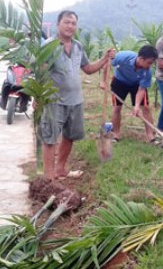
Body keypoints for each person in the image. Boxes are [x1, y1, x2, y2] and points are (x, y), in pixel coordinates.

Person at [37, 10, 113, 180]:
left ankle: (61, 169)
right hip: (53, 101)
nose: (70, 26)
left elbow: (88, 69)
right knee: (50, 139)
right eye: (66, 22)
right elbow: (39, 73)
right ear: (58, 24)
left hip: (75, 100)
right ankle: (49, 178)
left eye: (73, 23)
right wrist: (38, 97)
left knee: (70, 136)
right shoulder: (48, 46)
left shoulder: (78, 46)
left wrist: (105, 58)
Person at [109, 45, 158, 142]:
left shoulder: (148, 71)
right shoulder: (123, 57)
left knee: (146, 108)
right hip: (119, 81)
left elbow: (141, 89)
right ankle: (116, 134)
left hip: (137, 84)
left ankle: (150, 136)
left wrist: (136, 106)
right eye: (149, 62)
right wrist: (103, 81)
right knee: (117, 108)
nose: (150, 65)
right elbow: (108, 62)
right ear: (140, 58)